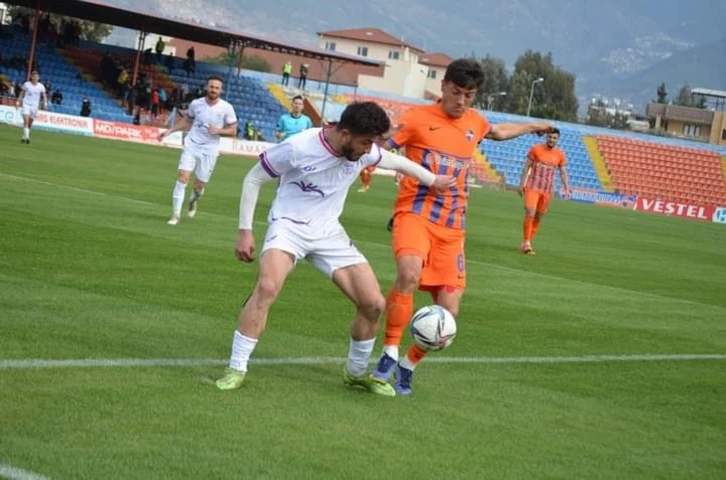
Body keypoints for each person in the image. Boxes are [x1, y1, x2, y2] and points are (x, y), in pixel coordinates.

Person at [213, 102, 456, 394]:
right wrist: (245, 230)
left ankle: (355, 373)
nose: (368, 150)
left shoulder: (364, 150)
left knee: (373, 304)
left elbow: (397, 162)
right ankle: (236, 368)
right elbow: (254, 178)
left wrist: (433, 180)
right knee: (267, 288)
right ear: (344, 134)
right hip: (288, 227)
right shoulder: (298, 147)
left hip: (329, 233)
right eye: (365, 142)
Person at [372, 58, 554, 395]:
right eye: (456, 92)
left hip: (453, 227)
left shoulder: (475, 122)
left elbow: (498, 132)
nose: (461, 101)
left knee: (449, 313)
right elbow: (382, 146)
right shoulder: (416, 118)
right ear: (443, 86)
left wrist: (533, 126)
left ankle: (408, 365)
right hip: (415, 213)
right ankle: (389, 352)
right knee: (408, 274)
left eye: (469, 95)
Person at [158, 75, 238, 226]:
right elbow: (187, 121)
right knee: (183, 177)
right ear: (206, 87)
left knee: (199, 187)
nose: (213, 90)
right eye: (211, 86)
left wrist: (219, 131)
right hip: (192, 144)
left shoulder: (227, 108)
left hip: (210, 149)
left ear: (221, 90)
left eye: (217, 88)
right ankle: (175, 216)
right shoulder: (196, 104)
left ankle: (193, 201)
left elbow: (233, 131)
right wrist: (169, 131)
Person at [517, 128, 570, 254]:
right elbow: (526, 167)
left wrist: (566, 187)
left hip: (547, 191)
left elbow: (563, 172)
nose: (551, 140)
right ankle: (527, 242)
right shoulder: (536, 149)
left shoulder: (560, 155)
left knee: (538, 217)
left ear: (558, 139)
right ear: (546, 137)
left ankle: (527, 242)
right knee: (530, 213)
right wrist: (521, 184)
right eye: (550, 137)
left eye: (554, 138)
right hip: (533, 187)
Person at [15, 70, 47, 145]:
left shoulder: (41, 86)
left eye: (36, 76)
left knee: (30, 123)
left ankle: (24, 137)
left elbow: (44, 95)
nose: (35, 78)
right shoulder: (26, 84)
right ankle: (27, 138)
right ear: (31, 77)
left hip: (35, 106)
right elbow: (22, 93)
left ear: (38, 78)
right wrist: (18, 101)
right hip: (26, 104)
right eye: (34, 76)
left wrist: (45, 103)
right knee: (26, 120)